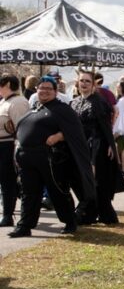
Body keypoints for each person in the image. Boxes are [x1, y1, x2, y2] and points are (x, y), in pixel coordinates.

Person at [9, 76, 94, 238]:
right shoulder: (35, 108)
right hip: (28, 158)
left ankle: (70, 221)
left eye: (49, 89)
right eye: (42, 88)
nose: (45, 91)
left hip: (49, 159)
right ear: (37, 90)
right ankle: (24, 226)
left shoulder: (62, 109)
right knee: (29, 193)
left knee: (58, 192)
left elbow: (76, 131)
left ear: (56, 92)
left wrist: (59, 136)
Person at [71, 70, 124, 226]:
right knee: (84, 181)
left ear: (93, 84)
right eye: (82, 81)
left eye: (88, 81)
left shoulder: (98, 101)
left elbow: (105, 125)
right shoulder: (75, 101)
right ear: (77, 82)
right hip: (81, 146)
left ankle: (104, 214)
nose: (84, 84)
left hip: (97, 144)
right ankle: (93, 212)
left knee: (97, 181)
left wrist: (110, 143)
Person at [0, 74, 31, 227]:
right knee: (5, 181)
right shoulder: (5, 102)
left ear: (6, 84)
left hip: (9, 145)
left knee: (8, 181)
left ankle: (7, 214)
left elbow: (21, 128)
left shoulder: (17, 102)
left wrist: (18, 150)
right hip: (3, 144)